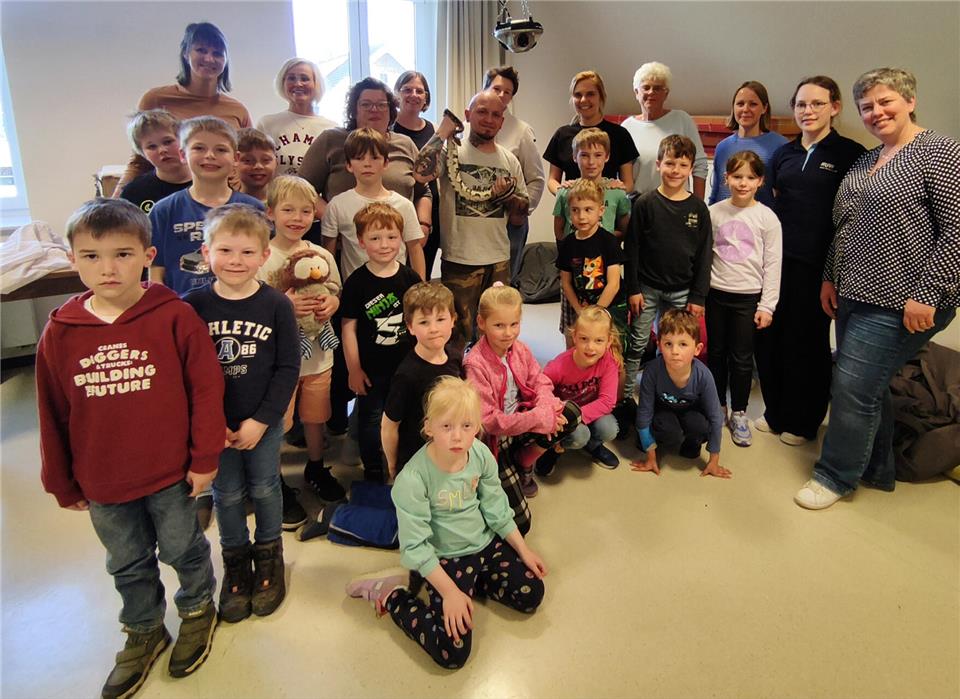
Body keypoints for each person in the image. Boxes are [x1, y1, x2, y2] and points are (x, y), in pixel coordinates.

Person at [37, 199, 224, 698]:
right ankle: (143, 629)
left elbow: (205, 391)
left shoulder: (174, 316)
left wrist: (205, 457)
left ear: (147, 255)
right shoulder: (61, 332)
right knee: (126, 561)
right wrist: (60, 480)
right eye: (91, 256)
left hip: (170, 471)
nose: (108, 268)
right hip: (102, 478)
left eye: (122, 254)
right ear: (72, 259)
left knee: (183, 548)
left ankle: (197, 609)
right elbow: (52, 411)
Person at [795, 67, 960, 510]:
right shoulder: (867, 160)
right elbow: (844, 224)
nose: (876, 112)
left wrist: (928, 293)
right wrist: (830, 276)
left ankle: (835, 475)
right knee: (870, 384)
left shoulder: (939, 152)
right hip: (853, 292)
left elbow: (956, 231)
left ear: (910, 101)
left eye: (885, 102)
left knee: (852, 385)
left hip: (900, 300)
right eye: (867, 107)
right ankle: (878, 468)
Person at [345, 377, 546, 670]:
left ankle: (468, 583)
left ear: (477, 427)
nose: (457, 437)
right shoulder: (413, 480)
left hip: (484, 545)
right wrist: (450, 591)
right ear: (429, 427)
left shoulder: (480, 454)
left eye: (466, 426)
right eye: (447, 426)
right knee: (452, 653)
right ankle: (392, 595)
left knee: (532, 594)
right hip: (445, 559)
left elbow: (497, 509)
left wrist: (523, 549)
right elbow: (416, 546)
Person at [184, 204, 298, 622]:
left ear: (265, 255)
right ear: (206, 252)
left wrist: (262, 420)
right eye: (226, 250)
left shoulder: (276, 305)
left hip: (261, 423)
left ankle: (268, 553)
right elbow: (184, 372)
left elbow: (287, 367)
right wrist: (209, 425)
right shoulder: (193, 306)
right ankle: (235, 560)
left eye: (248, 252)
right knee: (226, 493)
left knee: (266, 487)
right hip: (213, 427)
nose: (236, 261)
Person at [753, 76, 866, 446]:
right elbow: (769, 206)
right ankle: (775, 412)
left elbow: (852, 217)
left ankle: (803, 421)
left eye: (817, 103)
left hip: (818, 267)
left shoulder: (850, 154)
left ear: (835, 107)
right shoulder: (783, 154)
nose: (808, 111)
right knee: (770, 337)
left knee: (807, 342)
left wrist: (833, 273)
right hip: (776, 263)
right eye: (801, 104)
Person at [413, 90, 529, 346]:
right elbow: (420, 173)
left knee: (497, 334)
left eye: (496, 115)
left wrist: (508, 197)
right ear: (467, 115)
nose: (488, 119)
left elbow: (519, 218)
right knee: (457, 335)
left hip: (498, 259)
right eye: (482, 112)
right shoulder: (450, 151)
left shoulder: (509, 160)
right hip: (460, 259)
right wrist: (442, 132)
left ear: (502, 121)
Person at [258, 175, 345, 503]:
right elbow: (252, 304)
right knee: (278, 422)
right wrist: (284, 305)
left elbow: (335, 290)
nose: (297, 218)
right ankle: (274, 478)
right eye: (288, 210)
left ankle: (316, 467)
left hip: (318, 357)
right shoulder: (262, 257)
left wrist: (332, 303)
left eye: (306, 211)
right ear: (270, 213)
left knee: (316, 417)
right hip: (277, 362)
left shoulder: (320, 253)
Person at [340, 202, 423, 483]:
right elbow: (348, 328)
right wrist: (353, 369)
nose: (384, 245)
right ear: (361, 242)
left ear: (401, 237)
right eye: (375, 238)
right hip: (371, 370)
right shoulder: (356, 283)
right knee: (371, 420)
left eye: (391, 237)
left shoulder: (410, 278)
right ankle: (373, 468)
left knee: (407, 416)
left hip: (407, 367)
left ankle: (403, 463)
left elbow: (421, 321)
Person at [117, 22, 251, 194]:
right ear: (186, 54)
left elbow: (247, 160)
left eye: (217, 53)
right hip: (165, 195)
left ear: (225, 60)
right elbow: (138, 161)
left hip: (225, 197)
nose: (209, 58)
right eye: (201, 50)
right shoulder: (155, 99)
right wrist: (115, 200)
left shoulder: (237, 110)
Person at [623, 135, 713, 387]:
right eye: (670, 163)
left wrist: (698, 296)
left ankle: (665, 391)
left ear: (691, 168)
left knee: (673, 346)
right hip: (646, 289)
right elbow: (632, 249)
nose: (675, 170)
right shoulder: (644, 204)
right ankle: (626, 396)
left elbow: (705, 254)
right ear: (658, 164)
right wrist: (633, 289)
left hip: (682, 290)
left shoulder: (698, 209)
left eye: (683, 165)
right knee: (638, 342)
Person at [706, 151, 782, 447]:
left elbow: (773, 264)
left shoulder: (767, 218)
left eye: (750, 177)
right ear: (726, 178)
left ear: (760, 181)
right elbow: (705, 256)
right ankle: (717, 406)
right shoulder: (714, 213)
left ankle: (738, 411)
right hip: (715, 294)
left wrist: (767, 306)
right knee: (716, 354)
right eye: (737, 176)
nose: (743, 183)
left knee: (741, 358)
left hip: (748, 298)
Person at [464, 284, 568, 501]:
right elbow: (489, 422)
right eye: (499, 325)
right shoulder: (475, 364)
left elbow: (540, 381)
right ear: (481, 323)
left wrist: (546, 408)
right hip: (497, 437)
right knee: (520, 516)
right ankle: (510, 461)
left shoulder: (520, 348)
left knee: (570, 413)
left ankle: (524, 460)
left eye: (514, 324)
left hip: (523, 416)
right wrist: (539, 418)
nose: (508, 333)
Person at [149, 116, 264, 297]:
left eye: (220, 149)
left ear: (236, 158)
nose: (210, 155)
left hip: (241, 307)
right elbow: (156, 272)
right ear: (182, 154)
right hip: (181, 307)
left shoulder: (253, 209)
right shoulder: (163, 210)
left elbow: (263, 266)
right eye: (199, 148)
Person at [300, 76, 431, 229]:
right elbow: (303, 188)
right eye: (366, 104)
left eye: (381, 104)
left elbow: (423, 191)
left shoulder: (405, 144)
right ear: (354, 110)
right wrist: (333, 220)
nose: (374, 109)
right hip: (342, 240)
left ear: (391, 110)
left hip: (397, 240)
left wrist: (424, 225)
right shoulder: (331, 140)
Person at [631, 309, 731, 478]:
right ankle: (653, 440)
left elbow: (715, 417)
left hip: (691, 412)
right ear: (659, 345)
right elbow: (644, 412)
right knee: (669, 431)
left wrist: (714, 461)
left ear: (697, 349)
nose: (675, 351)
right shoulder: (652, 370)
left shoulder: (704, 375)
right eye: (668, 344)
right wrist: (650, 456)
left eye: (683, 344)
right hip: (662, 412)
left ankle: (691, 443)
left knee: (700, 426)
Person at [320, 128, 426, 281]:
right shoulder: (337, 205)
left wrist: (421, 288)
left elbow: (415, 251)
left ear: (386, 163)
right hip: (356, 291)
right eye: (359, 158)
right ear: (349, 165)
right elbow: (328, 255)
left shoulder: (404, 205)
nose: (367, 164)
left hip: (398, 288)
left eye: (375, 158)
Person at [381, 281, 461, 479]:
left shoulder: (455, 357)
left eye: (440, 319)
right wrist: (393, 464)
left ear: (453, 320)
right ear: (410, 327)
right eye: (424, 322)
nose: (434, 329)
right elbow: (389, 425)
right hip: (416, 461)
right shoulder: (407, 375)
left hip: (450, 453)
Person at [480, 66, 546, 283]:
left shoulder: (521, 131)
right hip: (476, 223)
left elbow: (536, 179)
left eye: (507, 92)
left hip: (510, 223)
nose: (501, 95)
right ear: (485, 88)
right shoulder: (469, 127)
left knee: (503, 287)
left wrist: (521, 213)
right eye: (496, 88)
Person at [541, 305, 622, 472]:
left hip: (585, 412)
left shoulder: (608, 362)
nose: (590, 347)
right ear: (574, 337)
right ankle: (553, 448)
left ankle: (593, 445)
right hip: (563, 416)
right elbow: (540, 390)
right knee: (580, 435)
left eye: (598, 341)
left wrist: (577, 417)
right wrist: (555, 419)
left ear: (608, 342)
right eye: (584, 339)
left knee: (609, 428)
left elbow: (608, 401)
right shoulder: (558, 366)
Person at [620, 62, 708, 198]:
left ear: (666, 94)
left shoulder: (682, 120)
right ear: (637, 92)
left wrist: (698, 204)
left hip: (676, 202)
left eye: (657, 88)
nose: (651, 92)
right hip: (637, 203)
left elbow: (700, 164)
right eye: (646, 87)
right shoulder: (627, 127)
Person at [556, 179, 626, 347]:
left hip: (609, 307)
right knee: (579, 347)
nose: (581, 216)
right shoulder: (568, 243)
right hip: (581, 307)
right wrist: (580, 311)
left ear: (600, 211)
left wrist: (597, 311)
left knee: (610, 348)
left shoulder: (609, 241)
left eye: (588, 210)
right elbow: (566, 282)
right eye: (575, 210)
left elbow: (614, 284)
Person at [543, 70, 637, 193]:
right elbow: (552, 180)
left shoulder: (620, 135)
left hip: (608, 203)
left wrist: (616, 192)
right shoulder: (562, 135)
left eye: (590, 94)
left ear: (601, 97)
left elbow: (628, 183)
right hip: (572, 203)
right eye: (578, 95)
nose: (583, 100)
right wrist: (564, 194)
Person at [392, 70, 441, 277]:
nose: (413, 95)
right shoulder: (389, 129)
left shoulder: (435, 129)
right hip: (399, 211)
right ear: (397, 94)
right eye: (407, 90)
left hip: (430, 211)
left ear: (426, 98)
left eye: (419, 91)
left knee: (422, 273)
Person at [708, 81, 787, 207]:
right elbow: (716, 192)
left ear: (764, 108)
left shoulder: (779, 145)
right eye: (740, 104)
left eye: (753, 104)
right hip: (723, 217)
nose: (745, 109)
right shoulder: (722, 147)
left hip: (759, 218)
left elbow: (784, 195)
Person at [257, 58, 337, 176]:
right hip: (276, 188)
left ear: (316, 84)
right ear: (283, 83)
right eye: (291, 78)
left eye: (304, 79)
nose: (298, 84)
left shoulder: (331, 128)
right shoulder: (266, 124)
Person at [553, 128, 631, 241]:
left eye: (598, 155)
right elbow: (559, 231)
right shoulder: (565, 192)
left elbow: (625, 231)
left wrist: (602, 240)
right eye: (584, 155)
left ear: (607, 156)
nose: (591, 162)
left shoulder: (617, 192)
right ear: (575, 157)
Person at [119, 109, 191, 214]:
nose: (162, 150)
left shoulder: (210, 182)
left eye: (168, 142)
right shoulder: (133, 192)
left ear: (184, 140)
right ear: (142, 153)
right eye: (152, 147)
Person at [235, 128, 278, 202]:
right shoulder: (227, 203)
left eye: (266, 160)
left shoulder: (287, 202)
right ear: (234, 161)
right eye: (248, 160)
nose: (258, 166)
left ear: (276, 162)